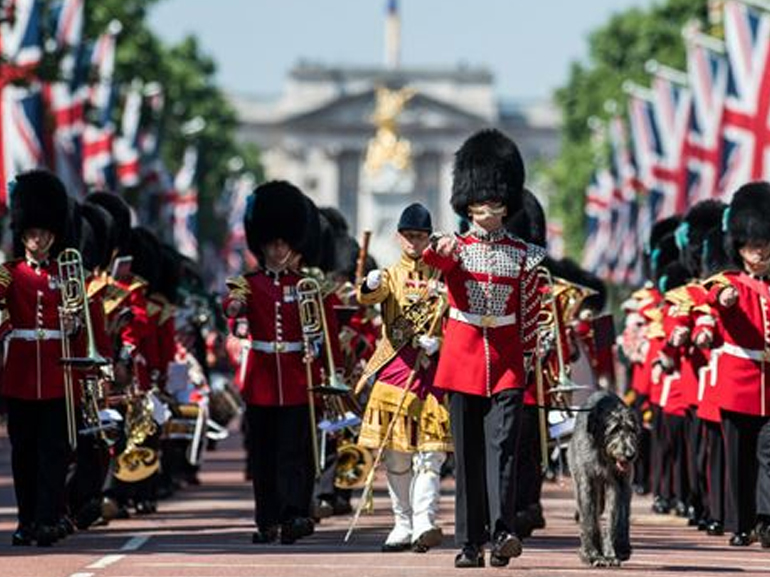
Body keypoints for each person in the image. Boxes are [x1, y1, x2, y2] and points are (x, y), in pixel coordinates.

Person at [422, 129, 546, 568]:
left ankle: (503, 530)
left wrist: (530, 357)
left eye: (495, 202)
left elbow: (530, 311)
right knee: (470, 454)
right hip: (463, 361)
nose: (489, 210)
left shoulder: (524, 254)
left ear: (505, 202)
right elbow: (434, 261)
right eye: (480, 203)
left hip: (508, 363)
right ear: (468, 204)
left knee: (505, 449)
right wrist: (439, 247)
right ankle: (469, 542)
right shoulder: (456, 249)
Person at [223, 180, 339, 545]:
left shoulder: (308, 285)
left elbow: (326, 332)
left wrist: (320, 363)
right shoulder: (248, 283)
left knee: (295, 452)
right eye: (272, 243)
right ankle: (266, 519)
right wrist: (236, 310)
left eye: (283, 243)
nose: (278, 249)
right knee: (263, 455)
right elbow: (231, 308)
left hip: (296, 377)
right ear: (263, 243)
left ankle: (294, 514)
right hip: (260, 379)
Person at [356, 202, 452, 553]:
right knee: (396, 456)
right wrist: (369, 283)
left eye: (421, 236)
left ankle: (425, 521)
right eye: (409, 236)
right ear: (400, 238)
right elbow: (369, 297)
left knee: (430, 455)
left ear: (428, 238)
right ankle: (402, 522)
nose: (415, 242)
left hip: (430, 373)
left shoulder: (442, 276)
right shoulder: (391, 274)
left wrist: (440, 341)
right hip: (396, 371)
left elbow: (457, 319)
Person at [1, 169, 71, 546]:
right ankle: (27, 519)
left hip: (57, 374)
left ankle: (47, 518)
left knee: (54, 453)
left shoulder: (67, 273)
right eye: (30, 233)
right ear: (22, 233)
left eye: (42, 234)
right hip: (21, 372)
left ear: (52, 235)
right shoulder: (8, 275)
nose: (36, 239)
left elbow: (83, 322)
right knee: (24, 453)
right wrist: (5, 328)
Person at [704, 182, 770, 547]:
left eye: (762, 242)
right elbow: (716, 296)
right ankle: (742, 523)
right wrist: (726, 297)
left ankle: (767, 519)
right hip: (738, 383)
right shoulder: (730, 281)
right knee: (739, 459)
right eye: (750, 244)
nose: (757, 251)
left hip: (769, 385)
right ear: (739, 246)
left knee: (769, 456)